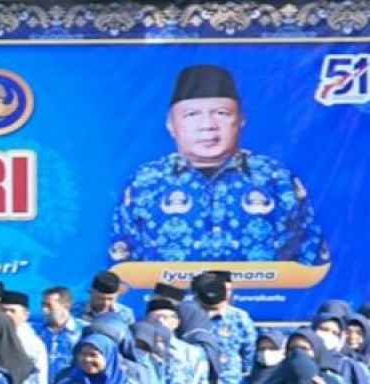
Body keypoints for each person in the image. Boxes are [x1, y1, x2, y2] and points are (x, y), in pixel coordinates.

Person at [110, 64, 329, 265]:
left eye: (221, 113)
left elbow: (310, 253)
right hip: (169, 304)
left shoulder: (275, 178)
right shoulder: (146, 181)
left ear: (241, 120)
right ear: (170, 124)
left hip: (265, 300)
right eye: (192, 114)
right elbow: (124, 262)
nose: (207, 125)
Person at [36, 286, 86, 383]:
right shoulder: (34, 332)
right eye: (42, 305)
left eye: (49, 306)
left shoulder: (84, 331)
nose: (44, 310)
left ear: (66, 306)